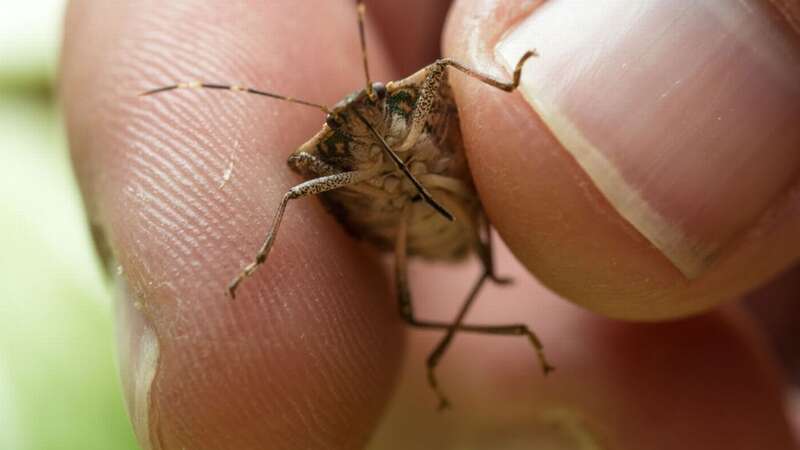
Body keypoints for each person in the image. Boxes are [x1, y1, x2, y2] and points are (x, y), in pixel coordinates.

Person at [60, 0, 800, 448]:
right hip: (412, 230)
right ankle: (494, 340)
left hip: (463, 208)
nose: (371, 129)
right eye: (357, 128)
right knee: (371, 277)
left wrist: (510, 83)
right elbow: (289, 186)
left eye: (375, 115)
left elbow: (455, 74)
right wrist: (255, 265)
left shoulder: (418, 106)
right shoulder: (344, 156)